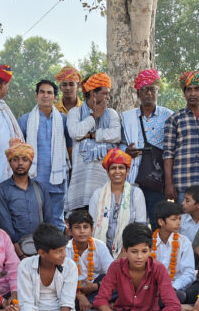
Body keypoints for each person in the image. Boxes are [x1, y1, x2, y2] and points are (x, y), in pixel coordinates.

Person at [85, 223, 190, 311]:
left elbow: (173, 306)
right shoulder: (116, 266)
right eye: (134, 251)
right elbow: (100, 300)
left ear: (151, 250)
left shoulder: (159, 269)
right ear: (124, 250)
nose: (139, 257)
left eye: (144, 251)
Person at [5, 224, 94, 311]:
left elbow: (67, 303)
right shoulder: (25, 265)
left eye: (64, 250)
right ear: (42, 253)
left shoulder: (70, 266)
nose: (63, 255)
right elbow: (26, 304)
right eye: (58, 251)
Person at [120, 69, 173, 229]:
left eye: (152, 89)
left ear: (157, 92)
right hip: (133, 176)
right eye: (144, 89)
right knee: (132, 220)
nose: (149, 93)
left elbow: (172, 148)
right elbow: (119, 143)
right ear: (138, 93)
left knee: (158, 219)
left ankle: (157, 251)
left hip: (157, 177)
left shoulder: (169, 116)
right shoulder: (127, 117)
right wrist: (126, 150)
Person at [18, 80, 70, 231]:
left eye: (49, 93)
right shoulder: (25, 120)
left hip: (57, 180)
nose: (45, 96)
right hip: (34, 179)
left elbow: (70, 147)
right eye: (42, 92)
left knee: (57, 221)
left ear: (55, 97)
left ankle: (58, 253)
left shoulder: (63, 120)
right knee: (33, 220)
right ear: (36, 96)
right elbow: (19, 150)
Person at [66, 72, 121, 211]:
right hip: (82, 181)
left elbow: (116, 135)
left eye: (108, 94)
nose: (108, 97)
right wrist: (94, 117)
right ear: (93, 94)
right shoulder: (75, 112)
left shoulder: (112, 114)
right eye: (104, 93)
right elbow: (75, 133)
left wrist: (92, 135)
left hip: (104, 178)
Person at [0, 138, 54, 258]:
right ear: (10, 162)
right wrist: (21, 255)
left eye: (25, 159)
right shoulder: (1, 190)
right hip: (14, 250)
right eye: (15, 160)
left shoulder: (40, 188)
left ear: (31, 163)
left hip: (41, 248)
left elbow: (49, 221)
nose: (20, 163)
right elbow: (6, 226)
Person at [162, 70, 199, 203]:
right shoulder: (174, 119)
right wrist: (168, 184)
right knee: (182, 224)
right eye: (189, 90)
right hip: (182, 185)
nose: (192, 93)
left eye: (197, 89)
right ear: (184, 93)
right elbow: (168, 154)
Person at [89, 148, 147, 256]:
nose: (117, 171)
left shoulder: (136, 194)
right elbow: (91, 226)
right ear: (107, 172)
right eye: (113, 168)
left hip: (129, 252)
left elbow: (141, 228)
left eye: (121, 168)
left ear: (127, 171)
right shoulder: (97, 195)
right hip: (99, 251)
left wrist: (125, 252)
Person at [65, 209, 113, 311]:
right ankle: (97, 305)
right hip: (73, 291)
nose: (82, 231)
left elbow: (113, 273)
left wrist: (96, 286)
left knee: (118, 282)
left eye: (85, 227)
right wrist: (79, 296)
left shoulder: (99, 245)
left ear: (92, 230)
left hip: (96, 288)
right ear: (70, 231)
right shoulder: (65, 250)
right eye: (77, 227)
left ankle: (91, 305)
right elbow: (61, 281)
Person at [151, 201, 195, 303]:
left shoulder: (184, 242)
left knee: (182, 295)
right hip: (152, 287)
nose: (178, 223)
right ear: (161, 222)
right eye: (174, 219)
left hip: (175, 288)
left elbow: (189, 273)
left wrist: (172, 287)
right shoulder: (149, 242)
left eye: (180, 219)